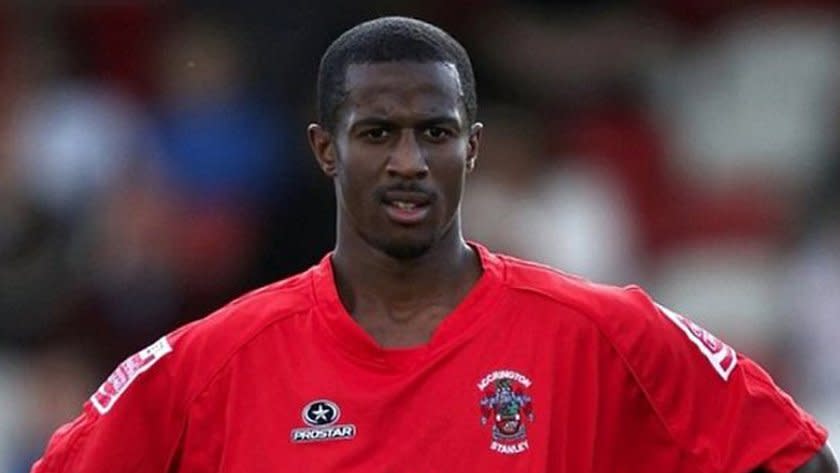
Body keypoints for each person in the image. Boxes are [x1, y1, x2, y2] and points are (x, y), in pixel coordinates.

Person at [32, 16, 836, 473]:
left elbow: (799, 460)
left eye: (436, 133)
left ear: (473, 148)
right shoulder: (217, 362)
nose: (409, 162)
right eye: (377, 132)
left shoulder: (604, 333)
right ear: (324, 149)